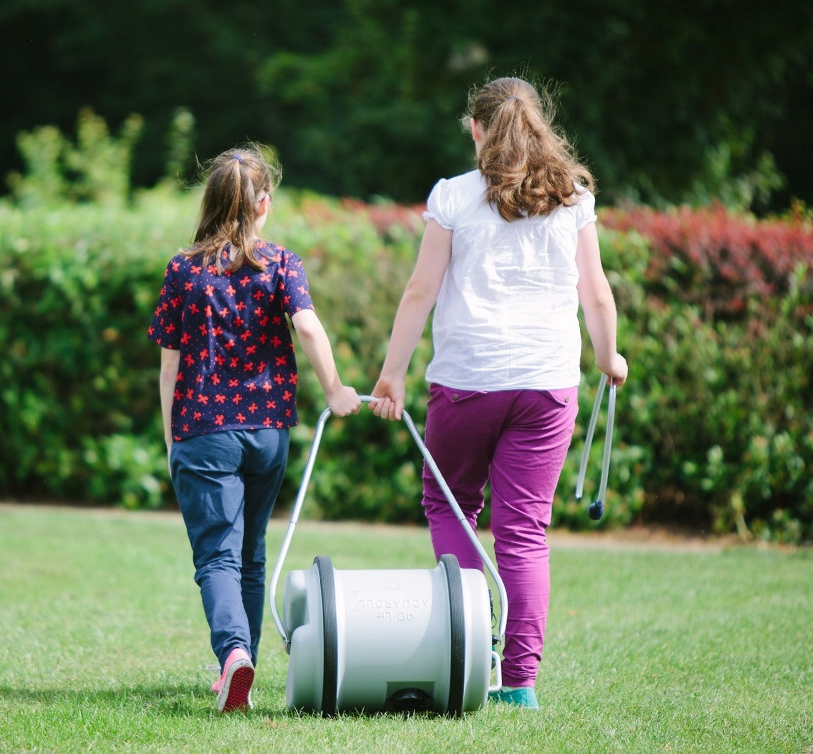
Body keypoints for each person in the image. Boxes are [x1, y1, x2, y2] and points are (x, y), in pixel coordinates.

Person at [368, 77, 629, 710]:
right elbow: (595, 291)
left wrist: (393, 372)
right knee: (525, 532)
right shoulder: (574, 197)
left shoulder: (453, 196)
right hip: (547, 384)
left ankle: (470, 644)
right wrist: (608, 356)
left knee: (451, 504)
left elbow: (420, 291)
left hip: (467, 380)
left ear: (477, 129)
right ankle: (519, 683)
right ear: (540, 126)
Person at [148, 145, 361, 713]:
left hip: (203, 430)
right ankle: (241, 667)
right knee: (251, 552)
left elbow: (169, 365)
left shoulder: (183, 269)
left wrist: (171, 437)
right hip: (268, 431)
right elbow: (308, 328)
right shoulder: (281, 263)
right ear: (263, 204)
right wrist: (335, 389)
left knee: (217, 556)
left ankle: (234, 656)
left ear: (210, 201)